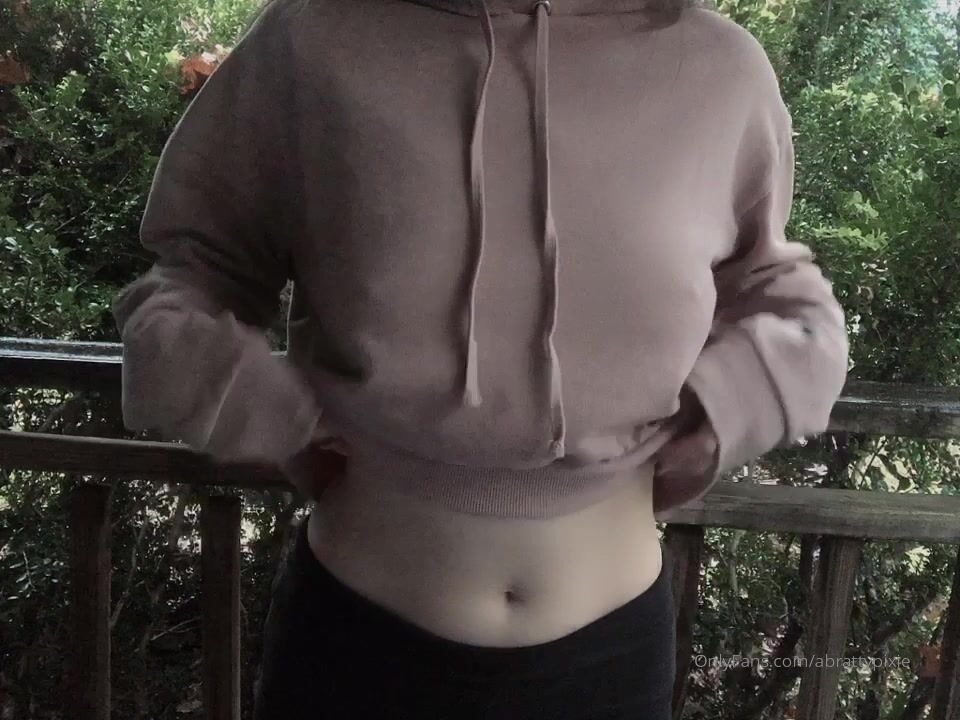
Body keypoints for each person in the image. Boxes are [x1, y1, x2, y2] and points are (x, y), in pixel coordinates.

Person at [111, 0, 850, 717]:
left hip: (612, 662)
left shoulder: (719, 68)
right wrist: (258, 407)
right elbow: (187, 280)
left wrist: (723, 411)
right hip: (355, 644)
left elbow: (791, 304)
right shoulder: (311, 39)